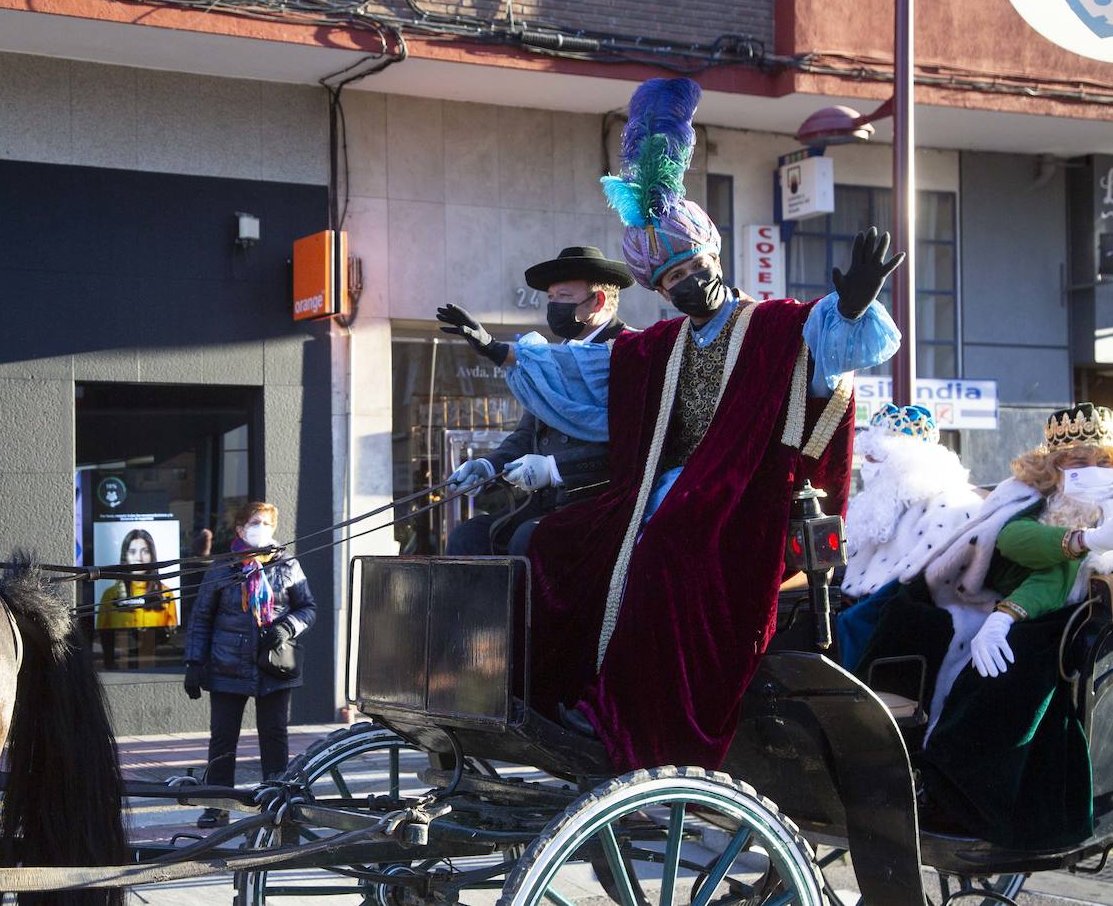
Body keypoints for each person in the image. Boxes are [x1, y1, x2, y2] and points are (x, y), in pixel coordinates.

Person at [466, 76, 902, 772]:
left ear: (714, 256)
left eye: (691, 270)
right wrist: (499, 351)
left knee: (671, 544)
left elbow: (839, 355)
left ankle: (635, 719)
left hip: (748, 500)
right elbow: (584, 384)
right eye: (669, 282)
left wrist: (852, 304)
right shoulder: (658, 347)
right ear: (657, 290)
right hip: (667, 488)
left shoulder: (778, 326)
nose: (685, 286)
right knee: (554, 538)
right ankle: (554, 695)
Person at [856, 403, 1113, 847]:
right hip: (981, 594)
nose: (1090, 470)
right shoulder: (1026, 495)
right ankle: (871, 743)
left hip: (1051, 617)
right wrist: (1077, 540)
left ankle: (957, 792)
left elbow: (1054, 579)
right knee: (906, 612)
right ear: (1054, 465)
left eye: (1101, 462)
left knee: (1011, 669)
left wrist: (1007, 616)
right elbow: (1010, 540)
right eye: (1077, 461)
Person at [438, 245, 637, 555]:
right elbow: (527, 434)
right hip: (545, 503)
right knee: (469, 538)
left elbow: (631, 442)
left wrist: (553, 467)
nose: (553, 306)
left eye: (564, 297)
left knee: (529, 541)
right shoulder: (552, 359)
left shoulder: (632, 352)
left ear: (597, 300)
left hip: (601, 501)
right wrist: (487, 466)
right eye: (551, 299)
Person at [184, 501, 316, 828]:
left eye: (267, 523)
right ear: (241, 529)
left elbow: (308, 607)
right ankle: (216, 803)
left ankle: (277, 799)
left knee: (273, 735)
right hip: (226, 665)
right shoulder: (223, 567)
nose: (262, 528)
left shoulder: (287, 564)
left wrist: (287, 626)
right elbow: (201, 617)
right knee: (223, 738)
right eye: (255, 522)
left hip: (274, 665)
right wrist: (194, 663)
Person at [836, 403, 980, 668]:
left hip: (917, 604)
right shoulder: (881, 505)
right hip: (875, 600)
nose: (866, 467)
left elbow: (929, 576)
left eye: (874, 459)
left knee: (852, 622)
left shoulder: (949, 503)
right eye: (865, 458)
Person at [97, 528, 178, 668]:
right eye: (132, 551)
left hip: (156, 669)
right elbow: (104, 635)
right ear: (125, 555)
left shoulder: (166, 594)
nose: (139, 558)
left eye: (145, 551)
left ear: (152, 555)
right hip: (121, 667)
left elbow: (172, 636)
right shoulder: (110, 595)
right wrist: (109, 663)